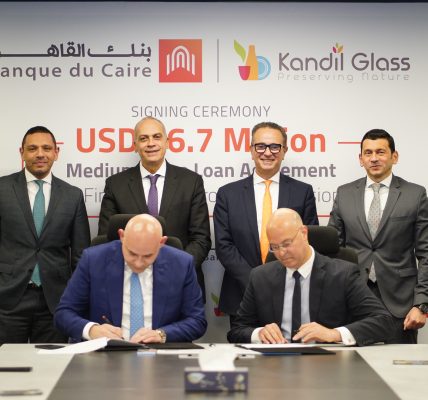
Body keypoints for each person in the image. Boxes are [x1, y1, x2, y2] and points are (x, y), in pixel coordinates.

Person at [227, 208, 394, 345]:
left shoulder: (343, 274)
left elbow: (383, 321)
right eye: (274, 247)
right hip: (275, 363)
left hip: (328, 363)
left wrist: (333, 334)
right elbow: (237, 330)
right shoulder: (260, 276)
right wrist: (259, 333)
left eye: (286, 244)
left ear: (304, 233)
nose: (282, 253)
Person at [328, 128, 428, 343]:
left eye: (380, 152)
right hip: (353, 299)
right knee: (351, 364)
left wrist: (421, 304)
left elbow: (425, 253)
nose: (374, 158)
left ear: (394, 156)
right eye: (368, 153)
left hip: (400, 304)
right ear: (361, 159)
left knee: (399, 364)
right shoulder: (344, 193)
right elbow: (332, 250)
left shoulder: (415, 194)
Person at [214, 122, 319, 324]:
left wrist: (281, 280)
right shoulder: (228, 194)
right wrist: (256, 282)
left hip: (291, 290)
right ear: (252, 150)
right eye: (261, 146)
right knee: (244, 345)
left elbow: (307, 242)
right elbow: (224, 245)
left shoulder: (302, 192)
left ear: (284, 150)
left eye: (275, 147)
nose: (268, 153)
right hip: (242, 294)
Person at [98, 117, 211, 299]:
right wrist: (137, 268)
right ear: (135, 146)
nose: (151, 143)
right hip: (130, 286)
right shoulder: (115, 185)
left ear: (167, 142)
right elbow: (107, 240)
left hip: (181, 285)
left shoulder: (191, 182)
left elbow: (201, 239)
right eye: (143, 138)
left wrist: (175, 269)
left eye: (157, 137)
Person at [0, 126, 90, 344]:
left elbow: (81, 255)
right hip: (7, 300)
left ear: (56, 153)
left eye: (47, 148)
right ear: (22, 152)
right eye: (32, 148)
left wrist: (74, 299)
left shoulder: (73, 196)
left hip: (55, 303)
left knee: (50, 364)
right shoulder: (2, 189)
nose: (40, 154)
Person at [55, 214, 207, 343]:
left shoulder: (181, 264)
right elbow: (64, 313)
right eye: (132, 253)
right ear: (122, 236)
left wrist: (161, 334)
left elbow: (197, 321)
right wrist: (92, 330)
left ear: (161, 243)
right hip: (106, 354)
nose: (138, 263)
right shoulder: (93, 260)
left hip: (160, 354)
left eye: (148, 256)